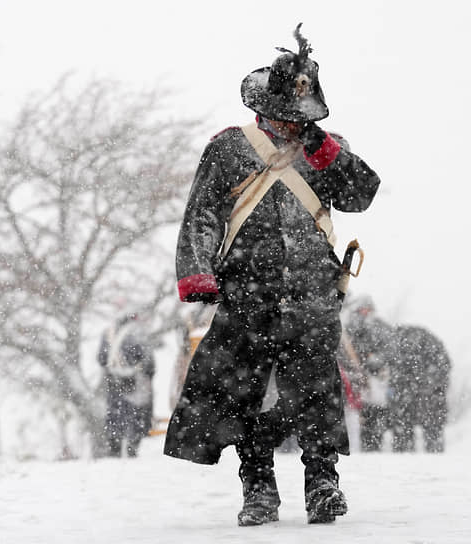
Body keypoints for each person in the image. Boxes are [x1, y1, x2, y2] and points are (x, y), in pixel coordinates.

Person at [163, 24, 381, 525]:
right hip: (245, 292)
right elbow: (202, 214)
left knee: (317, 389)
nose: (288, 125)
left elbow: (361, 194)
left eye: (296, 118)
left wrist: (325, 150)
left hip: (312, 293)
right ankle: (257, 485)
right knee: (243, 393)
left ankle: (323, 481)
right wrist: (197, 272)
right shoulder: (229, 148)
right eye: (283, 116)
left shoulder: (327, 148)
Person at [341, 294, 399, 451]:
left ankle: (374, 444)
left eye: (367, 310)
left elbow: (390, 351)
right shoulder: (349, 329)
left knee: (376, 414)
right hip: (356, 379)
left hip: (376, 379)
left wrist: (375, 362)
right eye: (361, 310)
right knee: (357, 417)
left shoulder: (381, 328)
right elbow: (344, 352)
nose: (364, 313)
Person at [97, 311, 155, 458]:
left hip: (113, 380)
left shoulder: (108, 333)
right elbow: (149, 362)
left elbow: (101, 358)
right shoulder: (139, 332)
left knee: (114, 414)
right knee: (137, 414)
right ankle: (133, 447)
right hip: (137, 381)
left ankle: (114, 447)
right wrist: (147, 374)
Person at [389, 325, 451, 453]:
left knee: (404, 439)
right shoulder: (431, 345)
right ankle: (433, 460)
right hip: (428, 400)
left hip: (413, 400)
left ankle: (403, 459)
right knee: (433, 438)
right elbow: (444, 368)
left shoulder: (400, 347)